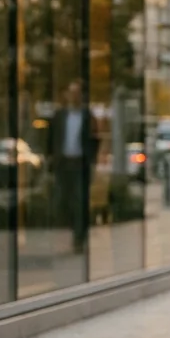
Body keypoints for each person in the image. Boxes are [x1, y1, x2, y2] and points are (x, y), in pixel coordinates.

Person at [48, 80, 99, 253]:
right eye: (71, 92)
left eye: (77, 93)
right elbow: (51, 138)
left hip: (80, 163)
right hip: (63, 163)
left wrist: (92, 160)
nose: (74, 96)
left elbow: (94, 140)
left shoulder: (87, 116)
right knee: (64, 200)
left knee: (80, 201)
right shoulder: (60, 115)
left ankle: (79, 237)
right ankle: (72, 231)